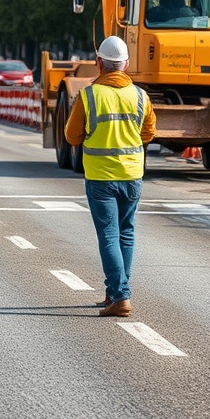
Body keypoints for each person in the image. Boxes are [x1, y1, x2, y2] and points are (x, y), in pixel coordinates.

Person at [64, 35, 156, 317]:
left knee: (108, 234)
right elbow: (148, 132)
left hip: (101, 177)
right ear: (126, 64)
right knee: (126, 233)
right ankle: (114, 292)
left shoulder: (90, 95)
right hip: (132, 175)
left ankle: (120, 295)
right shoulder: (140, 96)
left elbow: (71, 135)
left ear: (99, 64)